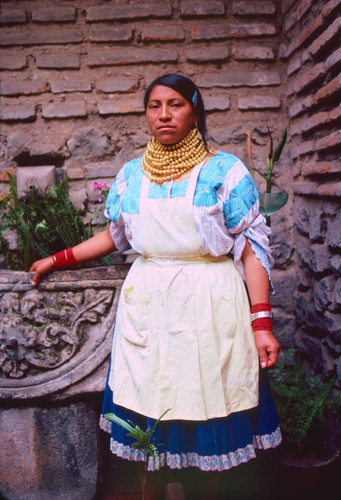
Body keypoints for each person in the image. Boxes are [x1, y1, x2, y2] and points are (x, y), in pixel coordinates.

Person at [30, 74, 282, 499]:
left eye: (176, 104)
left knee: (208, 401)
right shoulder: (132, 174)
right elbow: (116, 237)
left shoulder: (224, 171)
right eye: (154, 106)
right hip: (149, 302)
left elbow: (251, 249)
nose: (164, 114)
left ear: (196, 111)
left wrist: (261, 323)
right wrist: (57, 259)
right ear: (146, 114)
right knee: (153, 402)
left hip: (209, 301)